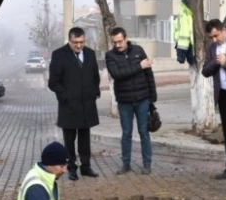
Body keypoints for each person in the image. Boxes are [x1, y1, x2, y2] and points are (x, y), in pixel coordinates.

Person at [48, 27, 101, 181]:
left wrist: (94, 92)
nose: (79, 45)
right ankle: (71, 168)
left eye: (82, 42)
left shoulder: (90, 54)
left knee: (85, 138)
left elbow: (95, 76)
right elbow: (53, 82)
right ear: (69, 40)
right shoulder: (59, 55)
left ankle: (86, 166)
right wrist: (65, 96)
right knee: (69, 141)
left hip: (87, 105)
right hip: (69, 107)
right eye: (75, 42)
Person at [105, 27, 157, 175]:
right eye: (114, 42)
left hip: (142, 99)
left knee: (144, 132)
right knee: (126, 133)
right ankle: (126, 164)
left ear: (126, 38)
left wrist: (153, 96)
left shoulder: (138, 51)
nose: (117, 45)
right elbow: (117, 74)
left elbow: (149, 74)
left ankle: (147, 164)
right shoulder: (110, 56)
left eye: (120, 41)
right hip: (124, 101)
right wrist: (139, 66)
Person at [202, 18, 226, 181]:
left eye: (216, 36)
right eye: (211, 37)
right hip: (223, 95)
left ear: (224, 30)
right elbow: (205, 71)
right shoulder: (211, 48)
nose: (214, 40)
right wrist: (216, 63)